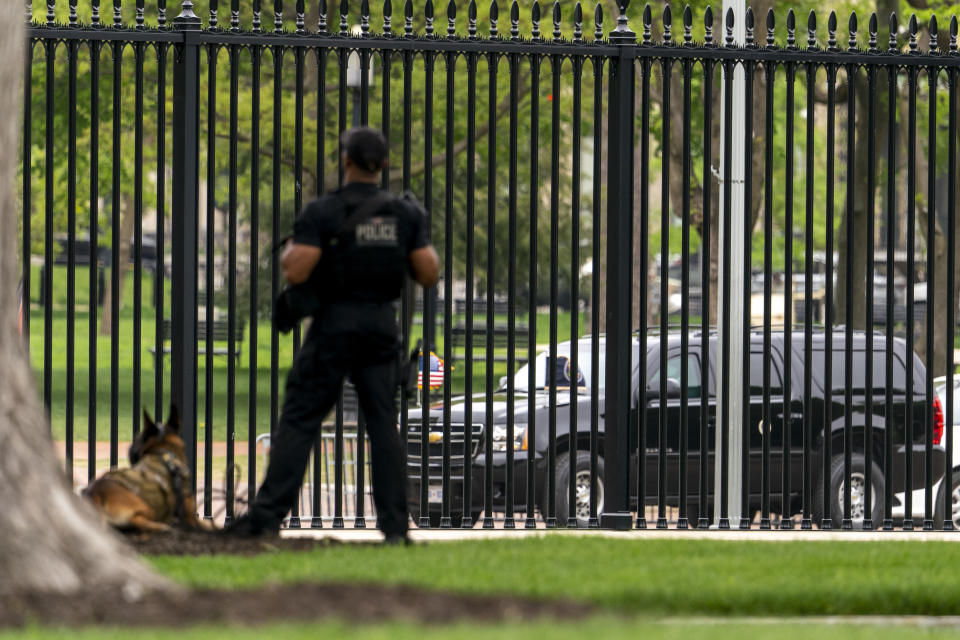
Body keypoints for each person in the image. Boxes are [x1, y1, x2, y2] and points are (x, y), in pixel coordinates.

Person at [227, 127, 439, 543]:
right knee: (382, 425)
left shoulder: (323, 212)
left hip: (334, 326)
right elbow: (428, 271)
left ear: (346, 161)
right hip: (380, 327)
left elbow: (297, 269)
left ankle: (266, 517)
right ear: (384, 164)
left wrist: (292, 248)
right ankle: (396, 528)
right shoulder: (405, 215)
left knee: (301, 419)